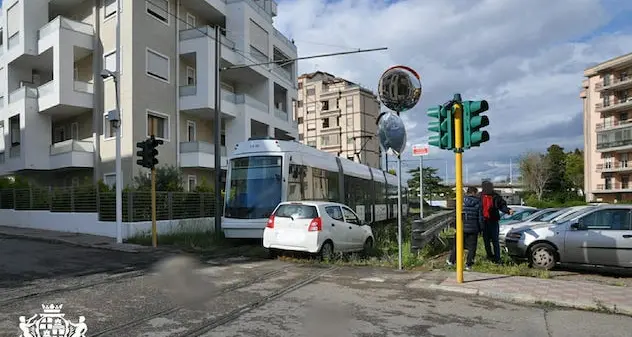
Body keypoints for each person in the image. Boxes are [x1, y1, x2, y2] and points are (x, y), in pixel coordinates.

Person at [446, 187, 483, 271]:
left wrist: (455, 226)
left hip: (461, 227)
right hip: (473, 228)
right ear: (474, 192)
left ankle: (452, 261)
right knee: (472, 248)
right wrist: (481, 229)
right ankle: (468, 264)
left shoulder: (460, 201)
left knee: (457, 245)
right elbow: (480, 218)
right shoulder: (478, 203)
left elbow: (456, 215)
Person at [480, 180, 513, 264]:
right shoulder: (480, 196)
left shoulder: (496, 196)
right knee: (486, 241)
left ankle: (497, 258)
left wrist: (508, 210)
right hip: (484, 221)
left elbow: (502, 206)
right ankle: (489, 256)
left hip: (493, 221)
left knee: (495, 240)